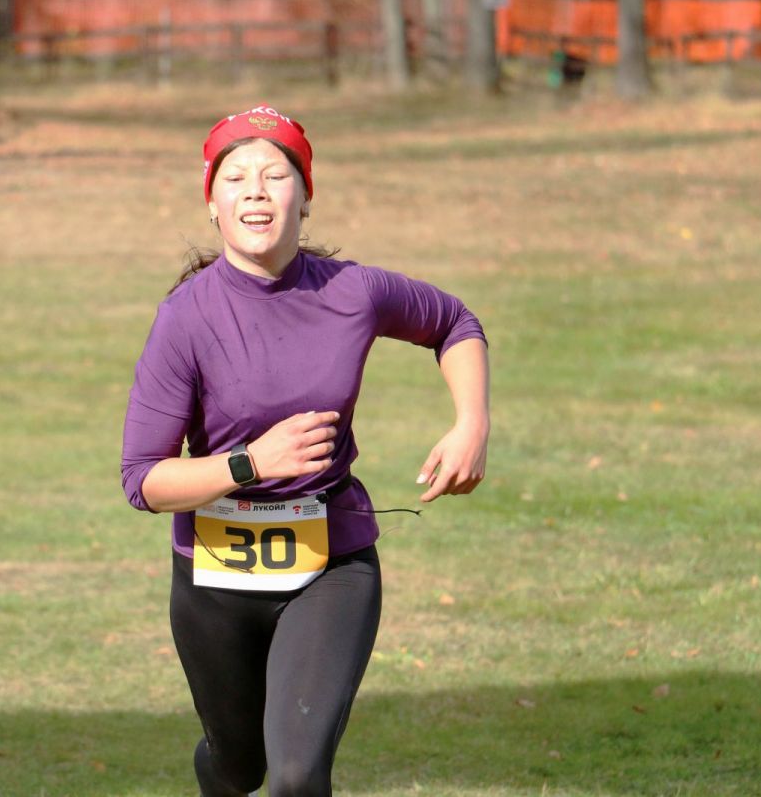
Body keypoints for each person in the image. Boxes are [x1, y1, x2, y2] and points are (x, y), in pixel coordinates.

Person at [121, 104, 489, 797]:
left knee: (295, 776)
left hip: (331, 563)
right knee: (238, 766)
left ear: (306, 196)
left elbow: (454, 322)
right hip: (214, 578)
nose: (255, 190)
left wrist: (470, 423)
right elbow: (143, 480)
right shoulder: (186, 318)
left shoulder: (354, 291)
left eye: (275, 174)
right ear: (213, 205)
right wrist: (250, 463)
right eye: (235, 178)